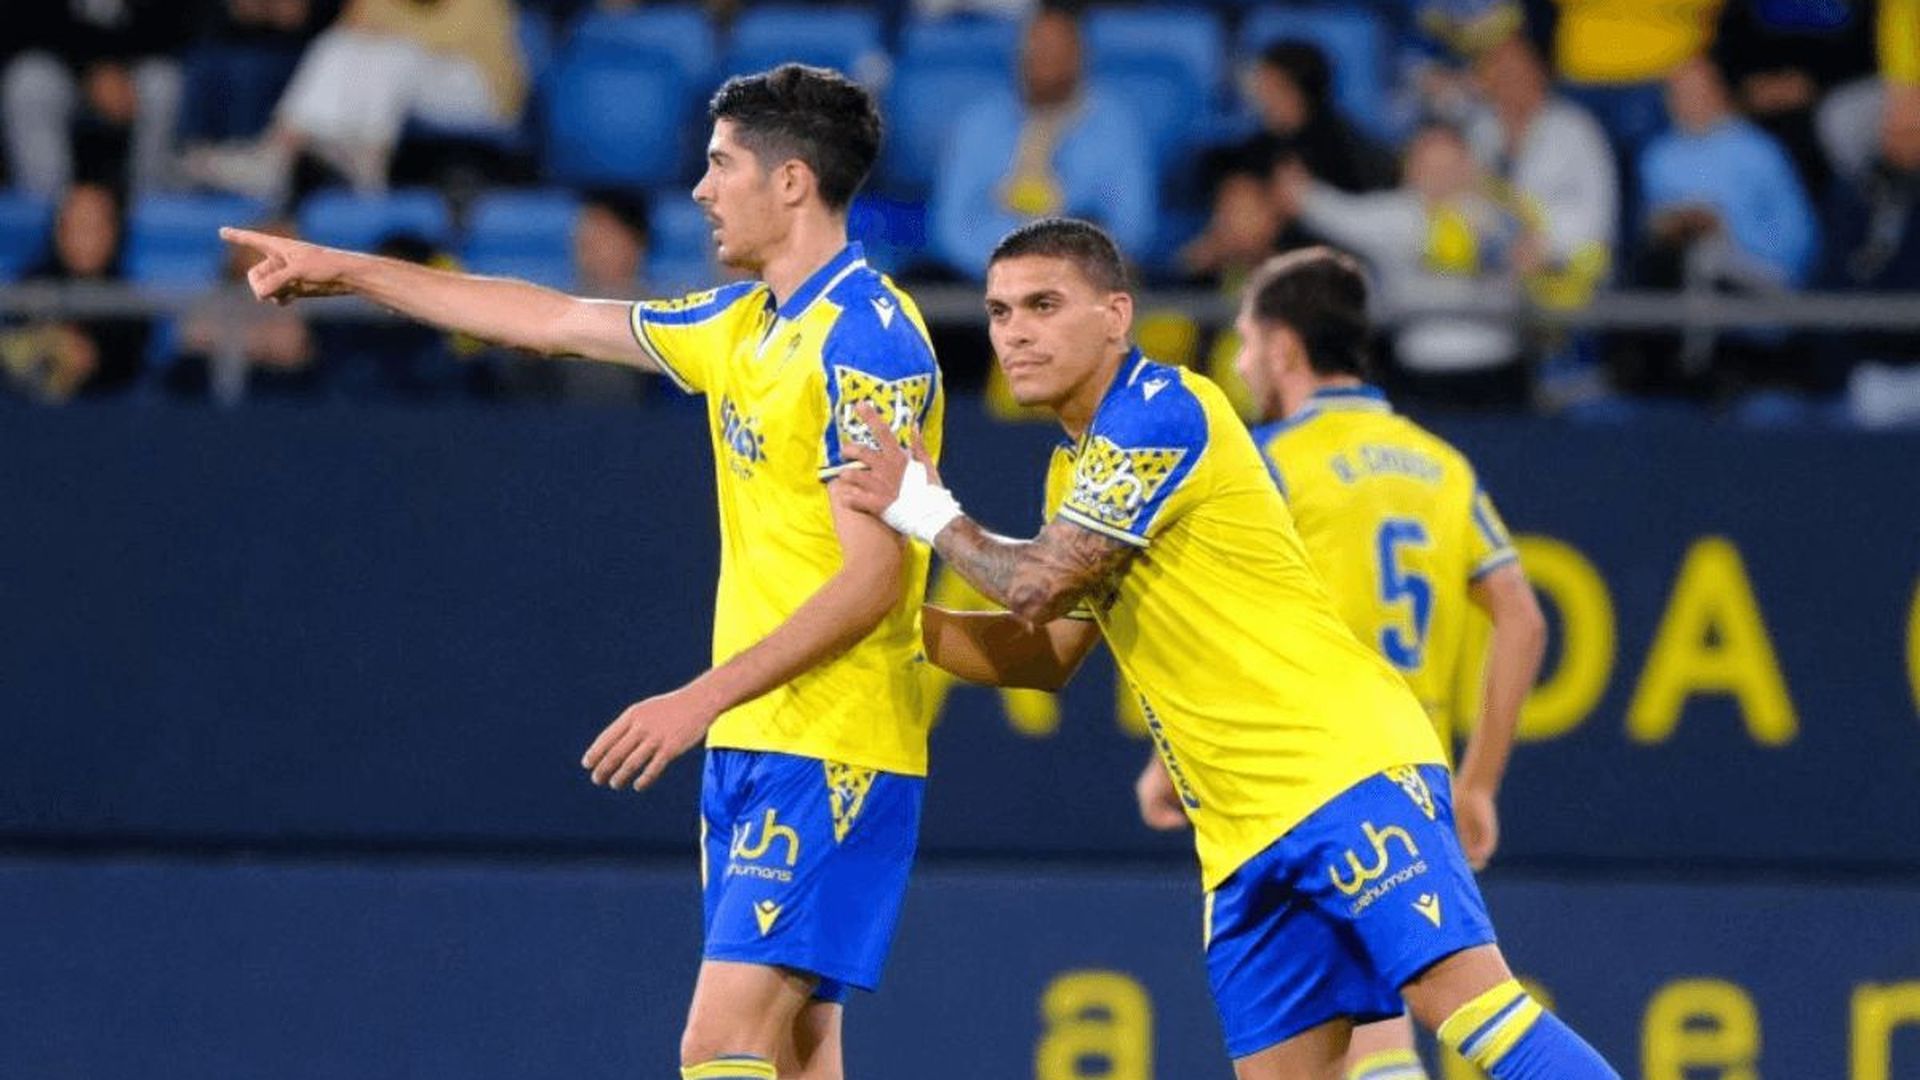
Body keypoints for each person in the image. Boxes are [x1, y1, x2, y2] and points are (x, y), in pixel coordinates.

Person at [220, 64, 942, 1080]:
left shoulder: (867, 343)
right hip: (757, 742)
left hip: (834, 744)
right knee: (797, 1054)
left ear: (790, 183)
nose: (698, 188)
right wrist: (349, 269)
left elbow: (875, 578)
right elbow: (549, 318)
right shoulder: (742, 327)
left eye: (720, 164)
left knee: (719, 1041)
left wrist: (698, 696)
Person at [832, 218, 1615, 1080]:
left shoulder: (1166, 407)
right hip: (1239, 835)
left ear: (1115, 316)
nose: (1014, 331)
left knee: (1477, 1017)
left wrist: (924, 510)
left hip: (1336, 772)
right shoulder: (1076, 471)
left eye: (1044, 304)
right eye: (999, 311)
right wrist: (884, 623)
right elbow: (1040, 655)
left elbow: (1033, 585)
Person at [1219, 246, 1549, 1079]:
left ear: (1286, 348)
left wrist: (1171, 755)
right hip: (1417, 769)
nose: (1242, 360)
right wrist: (1477, 780)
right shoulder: (1440, 464)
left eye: (1250, 341)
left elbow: (1225, 625)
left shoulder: (1264, 463)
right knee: (1380, 1026)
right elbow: (1522, 620)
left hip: (1309, 774)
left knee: (1394, 1024)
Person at [929, 2, 1154, 277]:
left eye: (1055, 49)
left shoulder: (1115, 125)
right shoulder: (980, 122)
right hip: (984, 279)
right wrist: (1018, 262)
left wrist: (1057, 262)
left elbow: (1133, 227)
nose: (1043, 59)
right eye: (1036, 47)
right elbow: (951, 227)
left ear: (1080, 54)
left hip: (1077, 280)